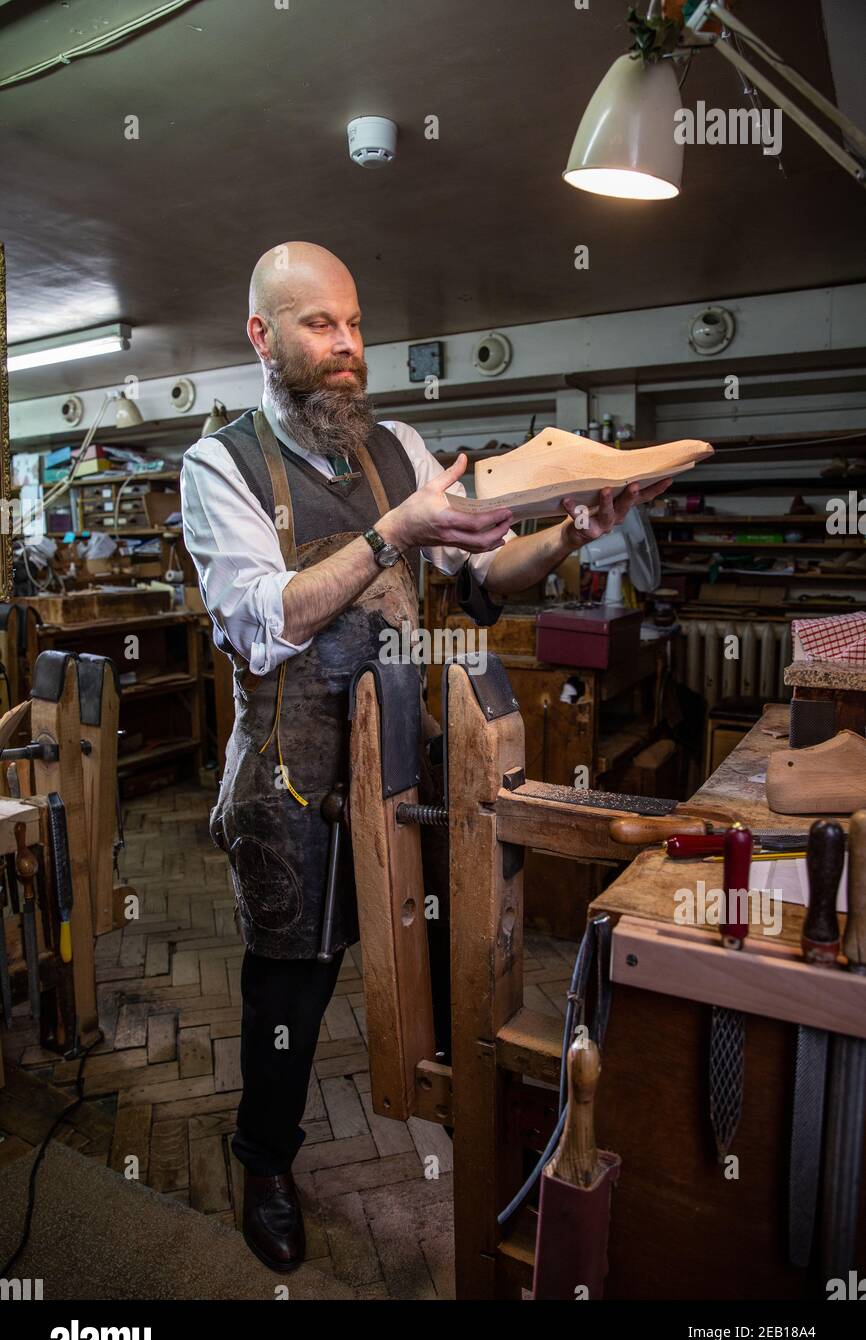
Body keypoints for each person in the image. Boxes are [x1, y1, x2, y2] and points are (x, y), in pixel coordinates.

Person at [180, 240, 670, 1272]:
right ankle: (264, 1159)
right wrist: (394, 534)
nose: (348, 347)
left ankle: (480, 1136)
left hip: (409, 769)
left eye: (356, 325)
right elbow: (264, 620)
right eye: (321, 326)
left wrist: (571, 533)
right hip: (293, 780)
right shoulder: (217, 467)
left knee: (454, 964)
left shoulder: (393, 444)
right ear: (262, 336)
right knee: (290, 997)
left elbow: (487, 574)